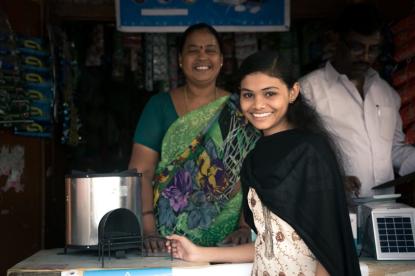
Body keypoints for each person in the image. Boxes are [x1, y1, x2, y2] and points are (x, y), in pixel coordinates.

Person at [166, 50, 361, 276]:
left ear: (292, 92)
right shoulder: (253, 158)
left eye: (269, 94)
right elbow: (268, 246)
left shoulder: (310, 152)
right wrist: (198, 253)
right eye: (248, 95)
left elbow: (329, 249)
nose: (258, 105)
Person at [128, 23, 259, 251]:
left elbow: (251, 171)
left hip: (229, 242)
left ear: (220, 60)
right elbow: (141, 171)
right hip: (166, 241)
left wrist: (244, 226)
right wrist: (149, 230)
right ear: (180, 60)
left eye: (210, 50)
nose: (202, 56)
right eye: (193, 50)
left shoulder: (241, 108)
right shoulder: (159, 107)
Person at [300, 3, 415, 197]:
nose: (366, 57)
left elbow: (394, 149)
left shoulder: (386, 93)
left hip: (385, 212)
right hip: (337, 214)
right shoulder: (308, 90)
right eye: (357, 47)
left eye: (374, 49)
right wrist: (332, 178)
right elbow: (295, 156)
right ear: (335, 40)